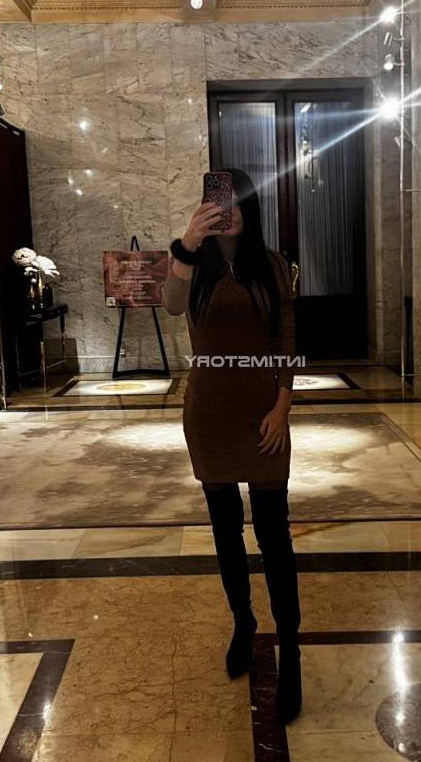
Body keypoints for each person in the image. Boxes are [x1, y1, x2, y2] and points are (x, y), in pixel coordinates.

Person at [161, 167, 302, 724]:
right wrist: (186, 244)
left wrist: (283, 405)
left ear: (252, 206)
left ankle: (290, 650)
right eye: (218, 202)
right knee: (226, 532)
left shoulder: (272, 263)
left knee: (274, 536)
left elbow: (286, 337)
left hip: (263, 412)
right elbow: (171, 305)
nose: (229, 210)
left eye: (238, 201)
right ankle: (243, 623)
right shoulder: (194, 264)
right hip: (209, 414)